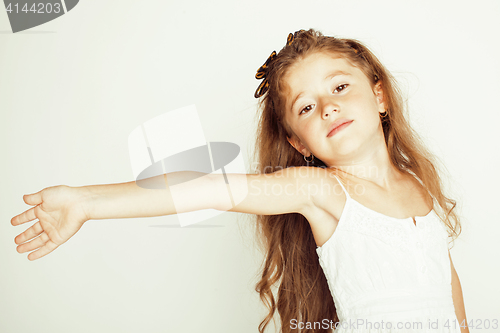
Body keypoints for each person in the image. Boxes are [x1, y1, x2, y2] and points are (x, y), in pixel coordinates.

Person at [11, 29, 468, 333]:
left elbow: (452, 300)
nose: (327, 106)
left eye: (340, 87)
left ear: (380, 95)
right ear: (299, 143)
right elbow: (210, 187)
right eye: (306, 107)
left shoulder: (418, 185)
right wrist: (87, 202)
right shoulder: (321, 191)